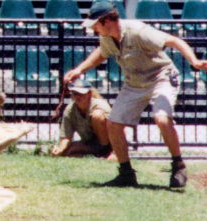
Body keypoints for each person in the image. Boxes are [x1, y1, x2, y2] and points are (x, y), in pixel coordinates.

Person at [63, 1, 207, 187]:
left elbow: (174, 41)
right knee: (113, 124)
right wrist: (79, 69)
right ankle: (126, 174)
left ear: (106, 21)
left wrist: (194, 61)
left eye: (95, 25)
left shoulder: (138, 31)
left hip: (161, 77)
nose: (93, 29)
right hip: (135, 83)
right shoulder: (107, 37)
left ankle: (178, 165)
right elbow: (101, 53)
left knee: (162, 119)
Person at [52, 79, 116, 161]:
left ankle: (105, 152)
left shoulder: (100, 105)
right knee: (68, 151)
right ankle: (96, 156)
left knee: (97, 115)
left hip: (109, 144)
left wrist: (115, 152)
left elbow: (114, 129)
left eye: (81, 94)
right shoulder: (70, 110)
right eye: (75, 94)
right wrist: (60, 149)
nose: (77, 96)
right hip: (90, 143)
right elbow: (66, 137)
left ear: (89, 94)